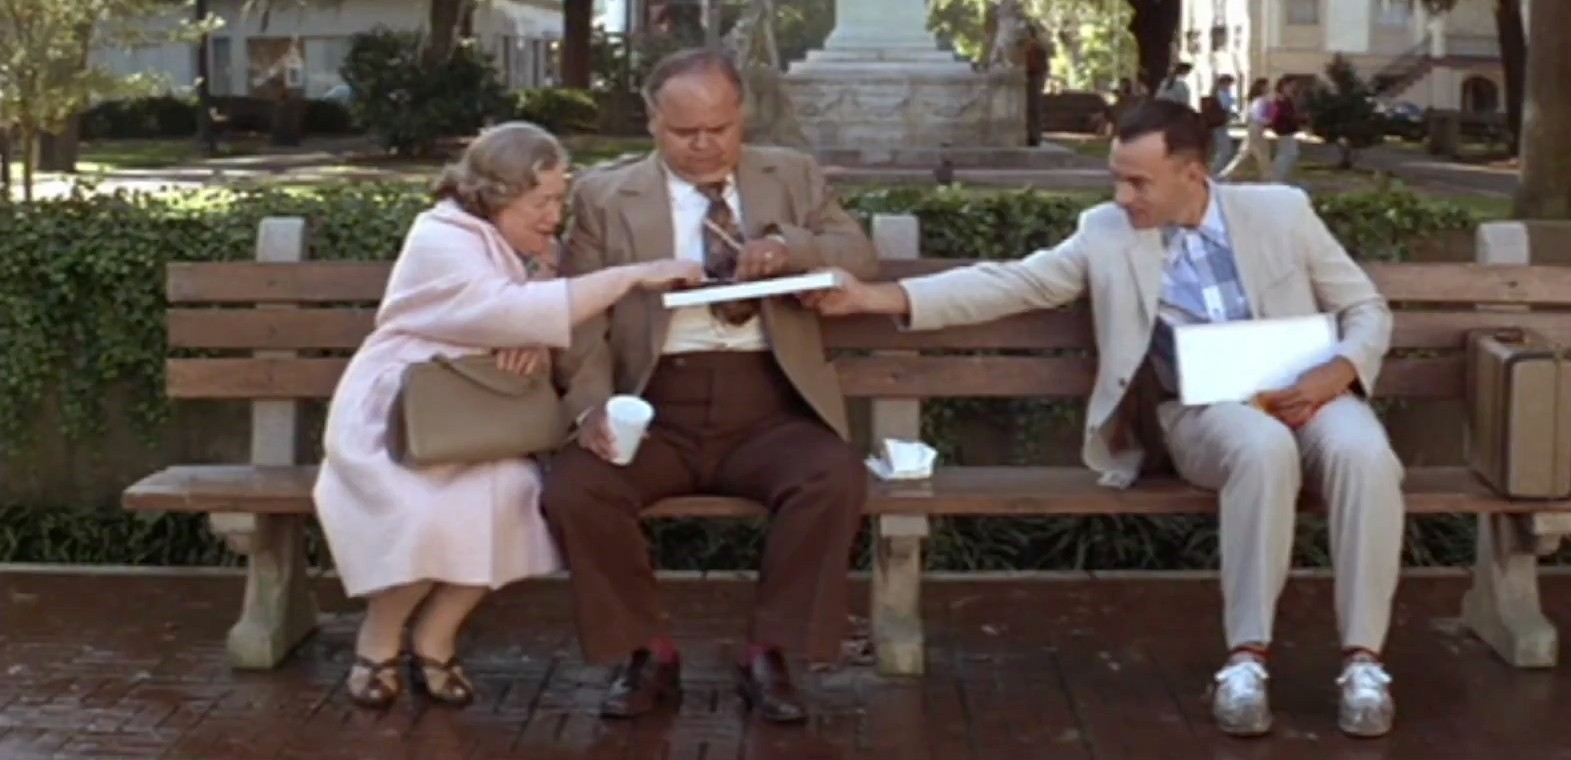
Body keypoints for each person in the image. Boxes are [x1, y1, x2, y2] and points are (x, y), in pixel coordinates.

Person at [803, 100, 1404, 740]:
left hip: (1311, 393)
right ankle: (1246, 660)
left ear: (1193, 173)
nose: (1122, 195)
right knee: (1261, 448)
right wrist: (874, 296)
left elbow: (1365, 307)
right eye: (1116, 177)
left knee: (1366, 456)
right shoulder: (1106, 233)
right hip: (1204, 413)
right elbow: (1010, 283)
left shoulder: (1281, 212)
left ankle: (1364, 662)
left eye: (1138, 181)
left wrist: (1338, 371)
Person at [539, 48, 881, 724]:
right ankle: (647, 652)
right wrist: (592, 408)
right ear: (651, 122)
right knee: (577, 488)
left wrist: (789, 247)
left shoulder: (791, 176)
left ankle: (770, 653)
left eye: (718, 129)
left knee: (832, 477)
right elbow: (579, 318)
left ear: (741, 116)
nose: (703, 146)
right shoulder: (606, 196)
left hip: (768, 406)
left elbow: (858, 253)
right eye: (683, 132)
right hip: (655, 404)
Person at [313, 122, 705, 710]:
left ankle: (435, 637)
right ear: (497, 195)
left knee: (515, 496)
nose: (554, 215)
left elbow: (532, 313)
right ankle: (378, 638)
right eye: (540, 201)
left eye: (559, 200)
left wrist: (533, 335)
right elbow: (501, 308)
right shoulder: (440, 234)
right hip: (400, 414)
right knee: (424, 510)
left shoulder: (525, 246)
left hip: (484, 417)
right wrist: (626, 278)